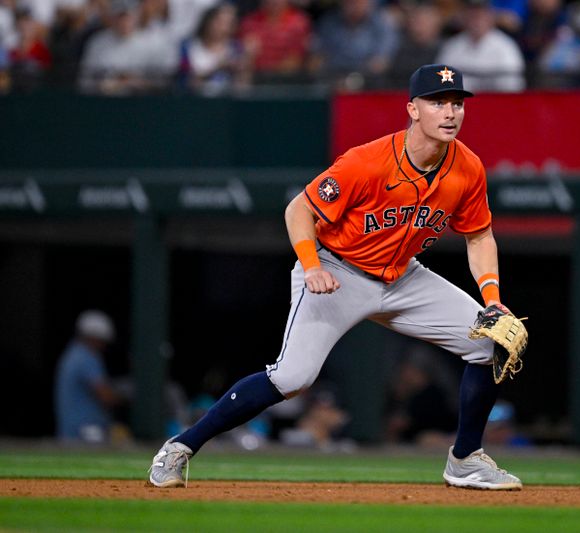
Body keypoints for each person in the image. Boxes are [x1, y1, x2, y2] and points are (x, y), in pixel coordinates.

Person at [149, 63, 523, 491]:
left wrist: (491, 296)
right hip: (338, 270)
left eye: (457, 103)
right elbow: (298, 210)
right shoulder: (367, 161)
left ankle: (465, 460)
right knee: (292, 378)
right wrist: (311, 266)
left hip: (403, 277)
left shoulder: (468, 167)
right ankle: (180, 446)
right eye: (437, 102)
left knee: (493, 341)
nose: (450, 112)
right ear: (413, 109)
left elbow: (479, 236)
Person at [54, 310, 123, 443]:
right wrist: (128, 396)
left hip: (73, 430)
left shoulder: (72, 353)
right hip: (85, 431)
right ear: (91, 338)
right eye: (101, 341)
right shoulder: (86, 357)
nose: (103, 346)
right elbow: (105, 396)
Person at [436, 0, 526, 92]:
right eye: (472, 16)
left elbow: (513, 87)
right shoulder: (452, 46)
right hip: (460, 102)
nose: (477, 21)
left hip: (495, 102)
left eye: (481, 15)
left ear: (491, 17)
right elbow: (442, 83)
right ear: (464, 17)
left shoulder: (506, 46)